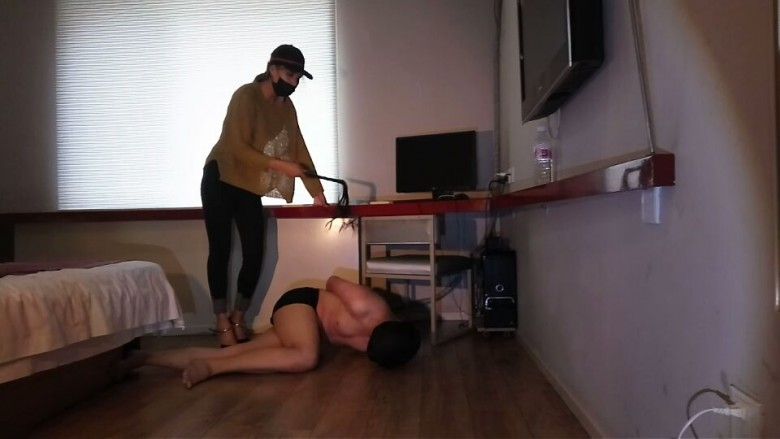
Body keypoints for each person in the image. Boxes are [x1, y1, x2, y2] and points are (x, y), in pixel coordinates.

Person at [201, 44, 327, 347]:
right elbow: (236, 147)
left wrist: (317, 193)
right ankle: (220, 319)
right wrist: (281, 166)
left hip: (248, 183)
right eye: (290, 75)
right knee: (220, 248)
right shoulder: (246, 96)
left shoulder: (287, 108)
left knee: (255, 251)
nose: (294, 83)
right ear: (272, 70)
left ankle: (238, 316)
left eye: (298, 78)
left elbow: (299, 150)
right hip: (221, 175)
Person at [142, 276, 422, 388]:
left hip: (305, 329)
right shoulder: (366, 305)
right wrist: (331, 309)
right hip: (302, 303)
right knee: (306, 357)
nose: (364, 344)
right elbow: (332, 281)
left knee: (239, 352)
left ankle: (141, 359)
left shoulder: (389, 345)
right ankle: (211, 368)